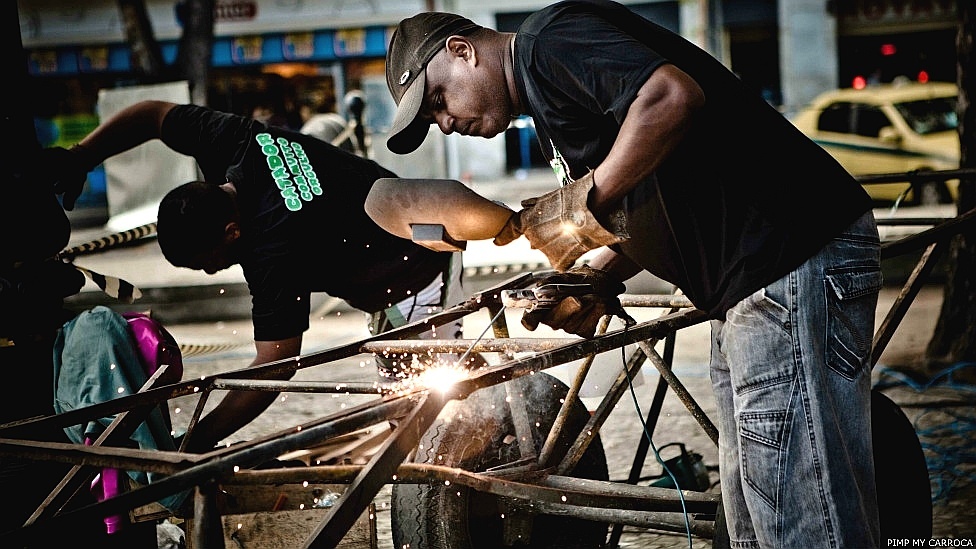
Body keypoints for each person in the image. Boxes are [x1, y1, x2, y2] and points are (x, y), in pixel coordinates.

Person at [383, 2, 883, 547]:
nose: (447, 121)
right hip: (752, 281)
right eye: (435, 119)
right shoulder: (552, 105)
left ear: (463, 51)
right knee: (753, 511)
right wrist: (601, 272)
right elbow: (654, 194)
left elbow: (672, 97)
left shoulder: (548, 41)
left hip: (788, 257)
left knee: (796, 508)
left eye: (438, 99)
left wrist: (580, 205)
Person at [41, 100, 468, 453]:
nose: (211, 272)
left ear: (233, 232)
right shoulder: (234, 141)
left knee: (425, 428)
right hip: (404, 228)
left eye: (208, 263)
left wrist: (191, 445)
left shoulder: (274, 248)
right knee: (407, 416)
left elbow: (274, 366)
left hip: (417, 278)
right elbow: (152, 116)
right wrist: (81, 157)